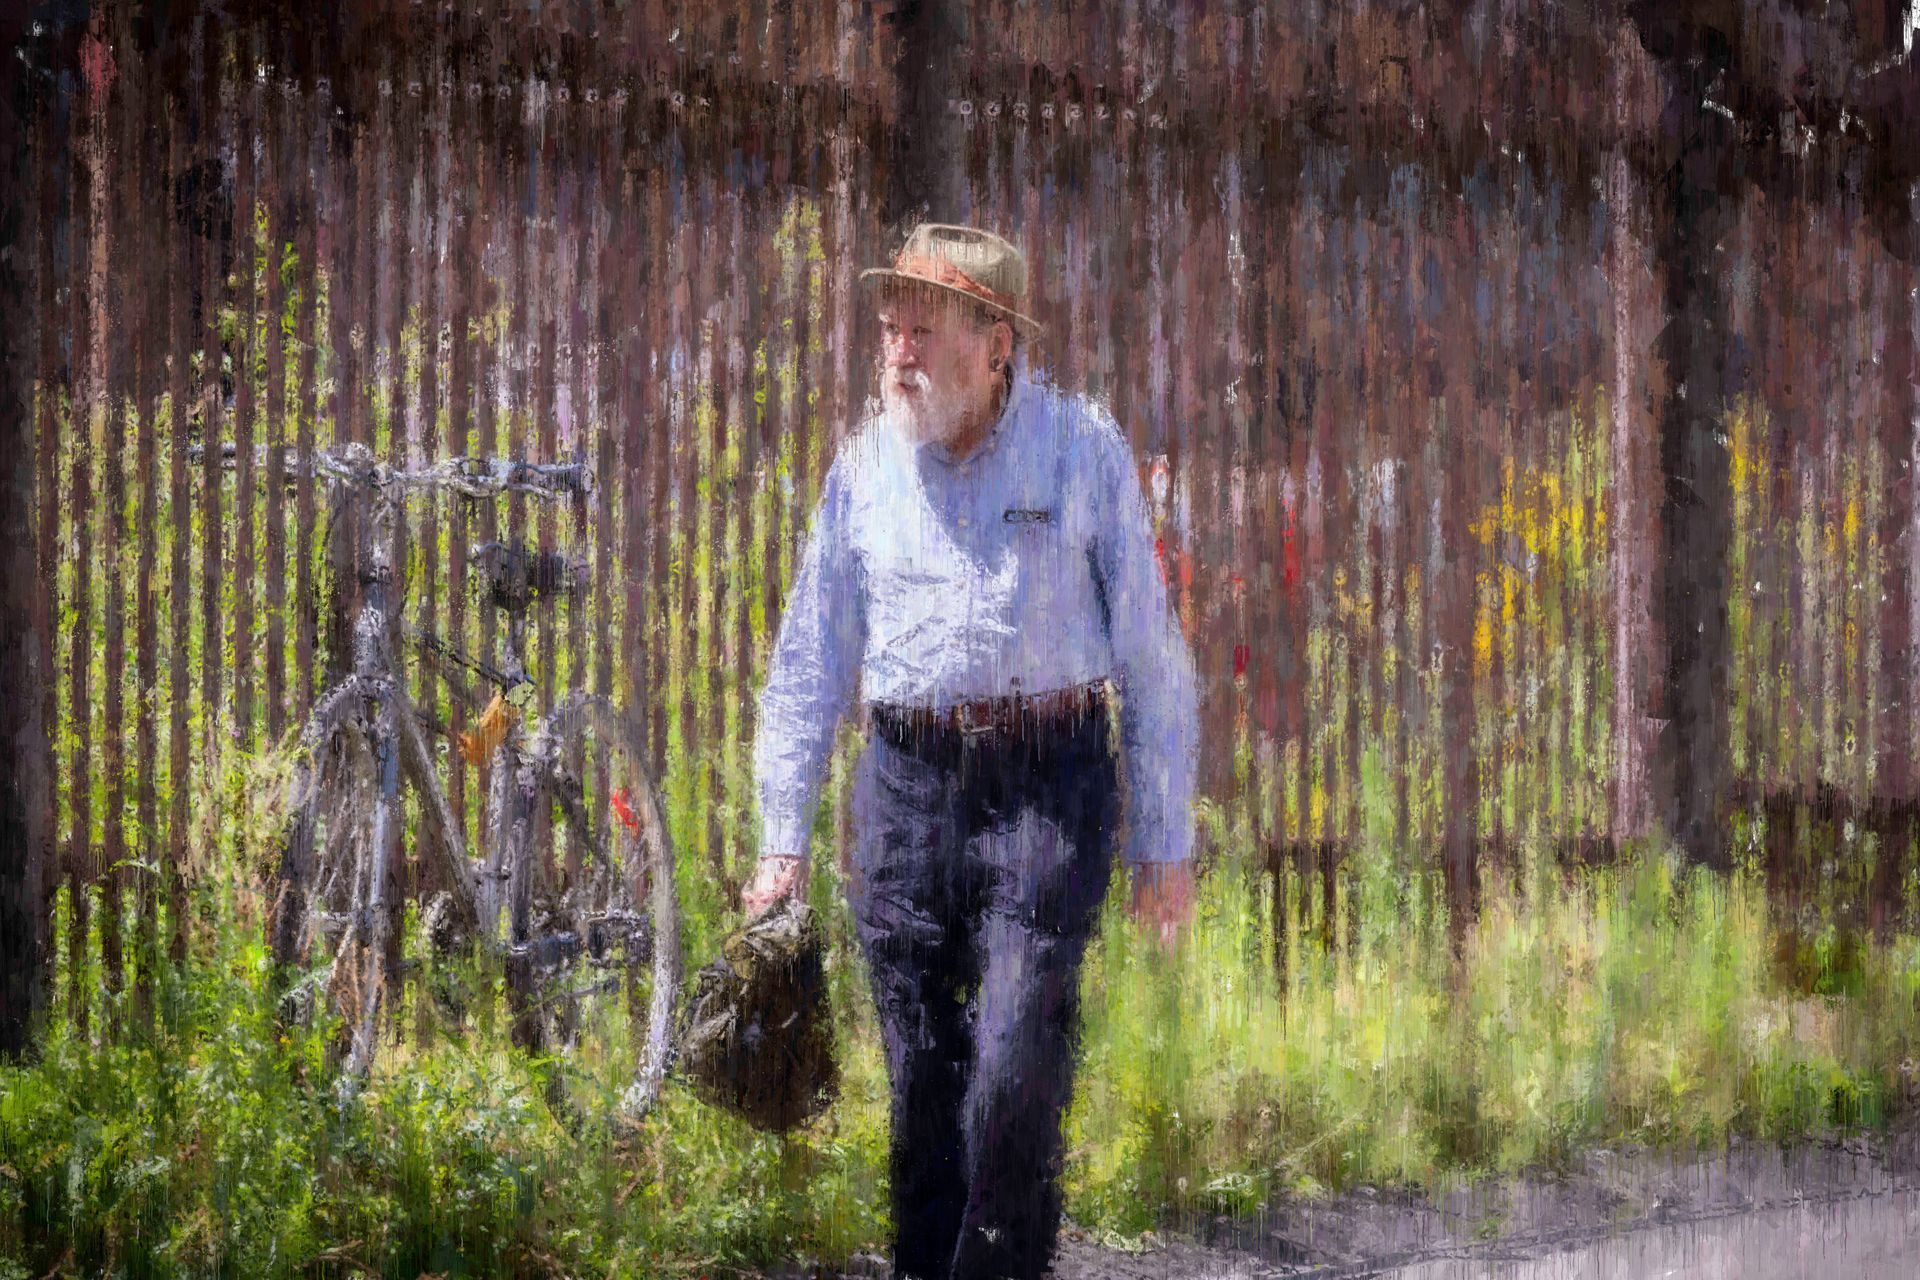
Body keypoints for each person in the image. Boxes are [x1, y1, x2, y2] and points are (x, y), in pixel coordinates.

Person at [742, 223, 1199, 1280]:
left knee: (1010, 1072)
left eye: (925, 328)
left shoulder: (1081, 452)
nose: (899, 351)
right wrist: (783, 838)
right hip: (904, 793)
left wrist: (1163, 842)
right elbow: (811, 658)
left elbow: (1151, 656)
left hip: (1046, 787)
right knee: (921, 1092)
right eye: (890, 329)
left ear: (997, 343)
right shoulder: (862, 472)